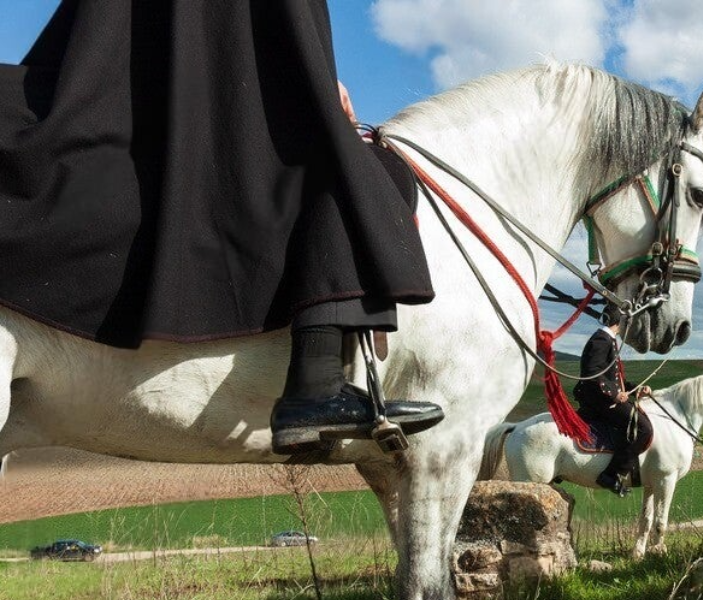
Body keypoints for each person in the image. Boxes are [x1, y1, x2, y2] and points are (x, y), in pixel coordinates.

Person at [0, 0, 440, 455]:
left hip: (116, 83)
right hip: (214, 93)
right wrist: (313, 78)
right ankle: (316, 383)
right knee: (352, 168)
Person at [572, 319, 652, 497]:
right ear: (621, 322)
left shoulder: (607, 339)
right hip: (600, 401)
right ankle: (611, 475)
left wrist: (637, 389)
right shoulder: (601, 340)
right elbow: (592, 373)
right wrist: (614, 394)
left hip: (605, 397)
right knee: (642, 428)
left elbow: (614, 378)